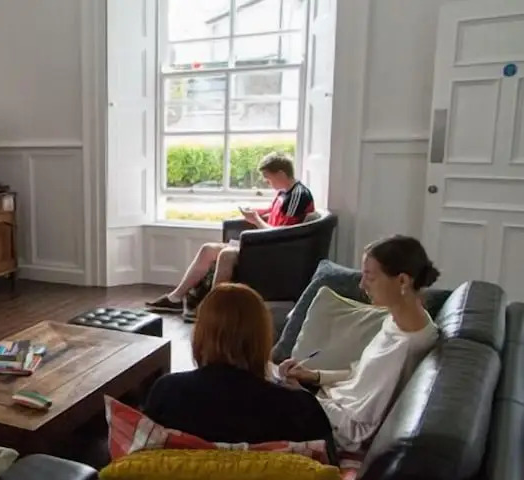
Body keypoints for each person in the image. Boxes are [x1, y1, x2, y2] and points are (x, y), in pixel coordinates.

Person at [278, 235, 441, 452]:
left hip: (331, 427)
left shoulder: (404, 349)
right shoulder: (404, 322)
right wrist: (314, 375)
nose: (362, 284)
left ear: (402, 281)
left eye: (370, 277)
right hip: (328, 402)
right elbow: (361, 374)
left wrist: (304, 397)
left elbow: (357, 430)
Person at [143, 283, 336, 462]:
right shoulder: (300, 408)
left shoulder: (166, 392)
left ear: (200, 335)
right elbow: (330, 474)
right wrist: (299, 394)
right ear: (262, 339)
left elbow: (142, 461)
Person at [146, 152, 315, 315]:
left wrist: (256, 220)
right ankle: (175, 298)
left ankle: (212, 308)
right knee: (207, 249)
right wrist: (253, 212)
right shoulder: (284, 192)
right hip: (266, 244)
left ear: (281, 174)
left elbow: (283, 235)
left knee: (227, 254)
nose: (267, 182)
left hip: (277, 251)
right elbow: (272, 212)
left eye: (268, 177)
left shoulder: (298, 196)